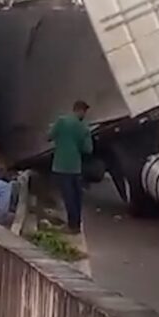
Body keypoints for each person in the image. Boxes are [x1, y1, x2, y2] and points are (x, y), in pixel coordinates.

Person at [49, 100, 92, 234]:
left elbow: (49, 136)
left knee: (68, 196)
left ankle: (72, 226)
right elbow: (88, 149)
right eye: (84, 112)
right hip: (75, 167)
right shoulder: (84, 127)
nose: (84, 115)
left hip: (61, 166)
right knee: (76, 196)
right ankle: (76, 225)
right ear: (80, 111)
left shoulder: (61, 121)